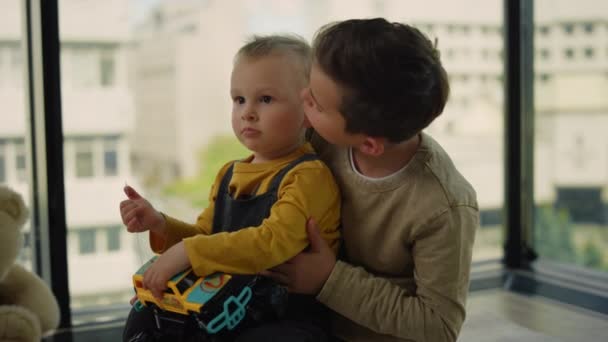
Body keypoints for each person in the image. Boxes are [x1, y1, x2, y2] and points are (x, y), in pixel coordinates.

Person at [262, 18, 479, 342]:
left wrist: (328, 278)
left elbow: (439, 326)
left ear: (369, 145)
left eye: (316, 103)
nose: (303, 96)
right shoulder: (321, 137)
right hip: (310, 322)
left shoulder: (444, 206)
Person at [120, 34, 341, 341]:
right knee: (143, 317)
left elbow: (271, 243)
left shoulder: (309, 176)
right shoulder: (229, 174)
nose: (247, 112)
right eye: (239, 99)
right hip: (225, 309)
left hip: (285, 318)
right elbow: (206, 240)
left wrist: (187, 251)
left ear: (308, 110)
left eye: (265, 99)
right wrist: (160, 223)